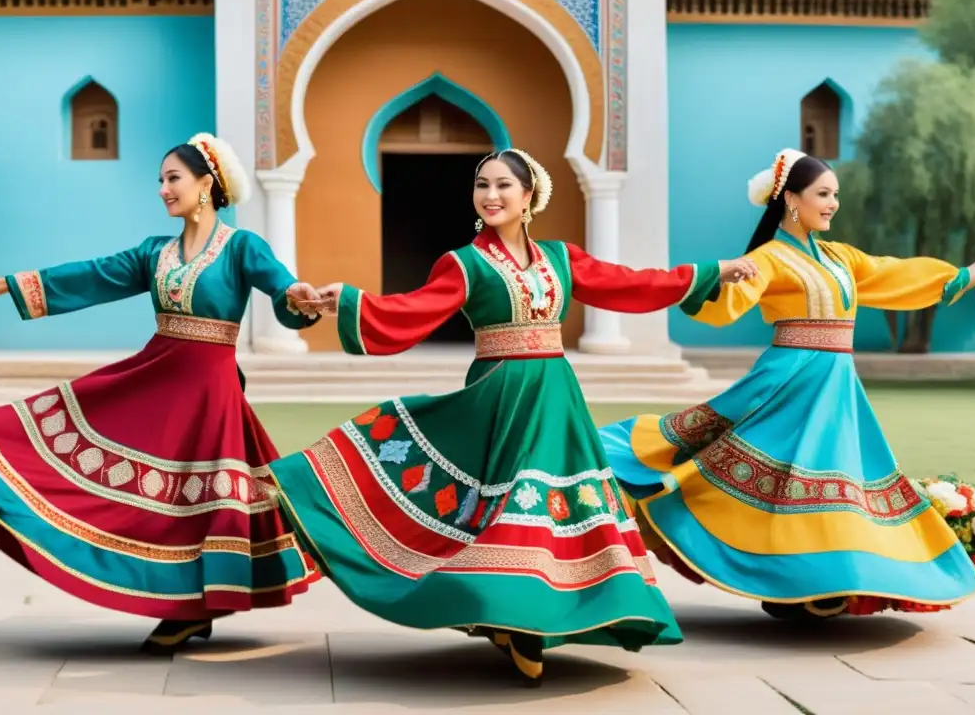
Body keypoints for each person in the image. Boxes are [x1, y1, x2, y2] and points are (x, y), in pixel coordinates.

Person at [271, 148, 756, 686]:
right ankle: (510, 618)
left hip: (556, 398)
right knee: (506, 502)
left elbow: (630, 284)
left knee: (551, 506)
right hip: (497, 399)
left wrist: (713, 271)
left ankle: (537, 617)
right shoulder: (465, 263)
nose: (491, 195)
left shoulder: (561, 258)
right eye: (482, 185)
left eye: (504, 185)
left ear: (529, 197)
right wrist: (350, 301)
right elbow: (413, 309)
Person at [0, 133, 323, 653]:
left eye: (172, 178)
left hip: (210, 392)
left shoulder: (242, 246)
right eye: (160, 180)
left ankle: (193, 610)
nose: (162, 189)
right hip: (157, 377)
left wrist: (298, 297)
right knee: (160, 501)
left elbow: (282, 288)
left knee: (199, 502)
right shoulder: (156, 253)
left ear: (206, 185)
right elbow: (93, 275)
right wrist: (7, 284)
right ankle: (183, 608)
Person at [598, 148, 975, 621]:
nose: (833, 203)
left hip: (836, 386)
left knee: (831, 481)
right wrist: (708, 282)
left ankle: (821, 582)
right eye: (823, 193)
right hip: (787, 383)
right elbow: (725, 305)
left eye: (835, 194)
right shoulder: (769, 258)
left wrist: (972, 273)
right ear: (791, 201)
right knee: (778, 480)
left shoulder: (840, 257)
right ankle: (800, 582)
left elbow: (891, 272)